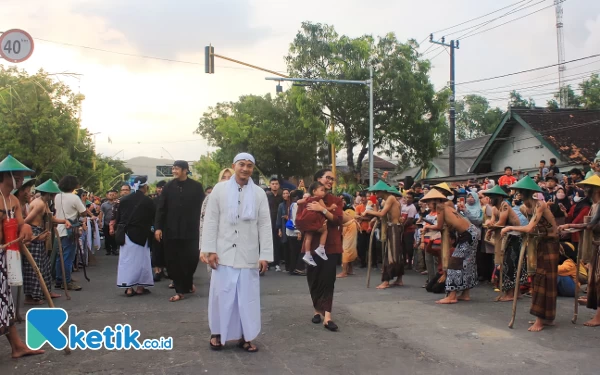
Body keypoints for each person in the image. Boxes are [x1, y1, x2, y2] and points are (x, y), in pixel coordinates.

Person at [201, 153, 273, 352]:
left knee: (247, 298)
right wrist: (209, 250)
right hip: (223, 254)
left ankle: (246, 336)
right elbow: (211, 220)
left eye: (250, 165)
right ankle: (217, 333)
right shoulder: (220, 189)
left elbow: (265, 225)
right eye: (242, 164)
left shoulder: (259, 193)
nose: (245, 169)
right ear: (234, 166)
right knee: (220, 296)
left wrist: (265, 254)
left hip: (248, 254)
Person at [501, 176, 559, 332]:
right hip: (540, 243)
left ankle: (543, 319)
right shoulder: (522, 208)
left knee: (545, 280)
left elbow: (529, 228)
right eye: (518, 192)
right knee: (537, 278)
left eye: (520, 191)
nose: (518, 194)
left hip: (551, 243)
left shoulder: (540, 204)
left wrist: (508, 228)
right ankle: (544, 317)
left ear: (527, 192)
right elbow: (530, 230)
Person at [0, 155, 44, 358]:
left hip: (6, 255)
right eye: (16, 175)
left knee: (6, 300)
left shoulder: (14, 200)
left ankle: (17, 346)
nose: (20, 179)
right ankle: (17, 345)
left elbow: (19, 224)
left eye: (21, 176)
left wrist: (25, 226)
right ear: (5, 175)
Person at [296, 168, 343, 331]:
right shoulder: (307, 198)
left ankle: (328, 316)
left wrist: (322, 209)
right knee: (313, 278)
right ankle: (317, 310)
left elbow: (337, 220)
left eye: (332, 179)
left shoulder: (336, 200)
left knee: (328, 279)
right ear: (317, 180)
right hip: (311, 244)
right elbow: (300, 220)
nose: (330, 181)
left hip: (330, 245)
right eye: (328, 178)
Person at [155, 160, 205, 302]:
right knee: (173, 261)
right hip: (171, 230)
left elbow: (203, 208)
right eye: (173, 169)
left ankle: (187, 282)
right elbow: (161, 209)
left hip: (191, 231)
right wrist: (158, 227)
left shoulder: (196, 187)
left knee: (191, 259)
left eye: (177, 169)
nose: (174, 171)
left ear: (185, 170)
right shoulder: (168, 187)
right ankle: (179, 290)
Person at [422, 189, 480, 304]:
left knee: (454, 263)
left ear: (434, 201)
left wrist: (426, 227)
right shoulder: (447, 204)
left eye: (429, 202)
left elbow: (438, 226)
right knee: (467, 263)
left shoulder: (440, 207)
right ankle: (465, 294)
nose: (428, 205)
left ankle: (452, 296)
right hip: (472, 231)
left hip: (467, 234)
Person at [557, 174, 600, 326]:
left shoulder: (599, 204)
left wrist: (569, 228)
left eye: (587, 188)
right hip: (596, 245)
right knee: (595, 279)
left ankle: (598, 316)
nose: (584, 190)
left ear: (594, 190)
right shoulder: (594, 205)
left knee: (598, 279)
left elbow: (589, 225)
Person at [23, 179, 67, 304]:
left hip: (41, 234)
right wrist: (34, 236)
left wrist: (64, 221)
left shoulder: (44, 203)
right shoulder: (39, 204)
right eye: (53, 195)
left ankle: (46, 291)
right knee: (34, 268)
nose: (54, 197)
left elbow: (51, 218)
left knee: (45, 266)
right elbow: (27, 221)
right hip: (35, 234)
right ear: (48, 194)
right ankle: (33, 296)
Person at [483, 185, 527, 302]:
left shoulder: (504, 205)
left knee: (509, 265)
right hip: (504, 236)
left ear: (498, 197)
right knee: (503, 264)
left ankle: (511, 293)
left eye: (491, 197)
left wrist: (490, 226)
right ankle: (513, 293)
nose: (489, 199)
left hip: (513, 237)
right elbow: (493, 222)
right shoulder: (494, 208)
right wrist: (489, 228)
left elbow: (501, 222)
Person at [54, 175, 96, 291]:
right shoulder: (74, 198)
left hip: (59, 228)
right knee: (68, 257)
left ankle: (59, 280)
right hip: (70, 229)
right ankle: (66, 282)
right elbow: (83, 212)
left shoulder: (57, 196)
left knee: (60, 256)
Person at [116, 176, 155, 297]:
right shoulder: (148, 201)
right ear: (145, 187)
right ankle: (140, 287)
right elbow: (152, 219)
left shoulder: (124, 200)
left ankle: (128, 288)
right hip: (142, 235)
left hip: (127, 234)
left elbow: (119, 217)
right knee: (142, 261)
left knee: (126, 261)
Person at [364, 181, 404, 289]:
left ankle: (386, 280)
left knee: (391, 254)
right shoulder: (385, 201)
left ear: (382, 191)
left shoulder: (391, 198)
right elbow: (380, 216)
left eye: (377, 192)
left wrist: (368, 212)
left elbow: (381, 214)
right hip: (391, 227)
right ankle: (399, 278)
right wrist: (375, 206)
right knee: (394, 253)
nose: (376, 194)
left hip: (394, 227)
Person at [199, 168, 234, 271]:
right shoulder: (210, 198)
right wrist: (204, 248)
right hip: (215, 245)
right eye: (223, 177)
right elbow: (204, 224)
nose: (226, 180)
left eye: (230, 177)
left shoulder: (243, 196)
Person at [297, 182, 333, 267]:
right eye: (322, 190)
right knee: (324, 231)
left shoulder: (308, 198)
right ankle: (321, 247)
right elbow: (324, 209)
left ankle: (307, 253)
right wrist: (331, 207)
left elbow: (298, 202)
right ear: (314, 191)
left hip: (307, 220)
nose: (324, 192)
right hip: (315, 220)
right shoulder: (318, 199)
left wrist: (301, 201)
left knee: (308, 237)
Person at [266, 178, 284, 272]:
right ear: (270, 185)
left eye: (276, 184)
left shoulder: (282, 196)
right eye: (273, 184)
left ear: (279, 185)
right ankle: (268, 263)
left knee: (277, 242)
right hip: (268, 221)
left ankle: (277, 263)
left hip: (279, 221)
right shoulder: (267, 195)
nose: (275, 185)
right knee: (269, 242)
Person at [152, 180, 167, 281]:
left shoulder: (170, 200)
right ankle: (157, 271)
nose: (160, 189)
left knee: (165, 250)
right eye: (159, 187)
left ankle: (163, 270)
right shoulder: (153, 201)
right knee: (156, 250)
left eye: (162, 187)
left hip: (167, 228)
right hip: (155, 228)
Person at [337, 208, 359, 278]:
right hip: (350, 225)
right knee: (350, 248)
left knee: (346, 249)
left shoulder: (331, 209)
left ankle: (344, 272)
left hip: (350, 226)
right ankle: (350, 269)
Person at [401, 191, 418, 270]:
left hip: (408, 230)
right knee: (403, 246)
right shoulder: (403, 206)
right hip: (402, 229)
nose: (408, 199)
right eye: (407, 197)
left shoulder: (412, 207)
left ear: (413, 199)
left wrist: (402, 226)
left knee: (408, 247)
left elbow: (409, 220)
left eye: (410, 198)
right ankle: (404, 261)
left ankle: (410, 262)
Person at [276, 189, 291, 272]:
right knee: (285, 246)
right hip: (283, 227)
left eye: (287, 193)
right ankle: (287, 266)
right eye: (284, 193)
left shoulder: (292, 204)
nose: (285, 195)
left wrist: (287, 217)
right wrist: (279, 230)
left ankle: (292, 266)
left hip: (292, 227)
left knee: (291, 247)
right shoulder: (281, 205)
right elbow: (278, 218)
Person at [99, 189, 118, 255]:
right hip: (107, 223)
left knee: (114, 237)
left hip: (115, 223)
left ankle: (114, 249)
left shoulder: (117, 203)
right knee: (107, 237)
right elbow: (101, 213)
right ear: (107, 196)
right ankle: (108, 250)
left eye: (113, 195)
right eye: (110, 195)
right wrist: (100, 222)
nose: (111, 196)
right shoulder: (104, 205)